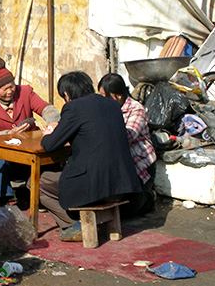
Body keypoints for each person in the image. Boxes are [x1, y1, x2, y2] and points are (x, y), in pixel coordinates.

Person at [38, 71, 141, 241]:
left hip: (94, 186)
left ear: (66, 95)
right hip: (122, 183)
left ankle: (73, 225)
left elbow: (50, 145)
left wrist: (47, 134)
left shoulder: (73, 108)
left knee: (37, 183)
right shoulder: (112, 104)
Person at [0, 56, 60, 207]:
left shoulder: (25, 92)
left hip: (31, 149)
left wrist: (53, 122)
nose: (10, 91)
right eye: (5, 89)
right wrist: (9, 134)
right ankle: (4, 197)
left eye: (12, 86)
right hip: (7, 154)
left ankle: (38, 192)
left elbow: (46, 108)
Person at [98, 73, 157, 216]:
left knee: (124, 212)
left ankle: (149, 197)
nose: (101, 100)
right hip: (119, 164)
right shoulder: (105, 109)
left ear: (117, 96)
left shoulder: (136, 109)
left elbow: (127, 137)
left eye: (105, 96)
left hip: (140, 165)